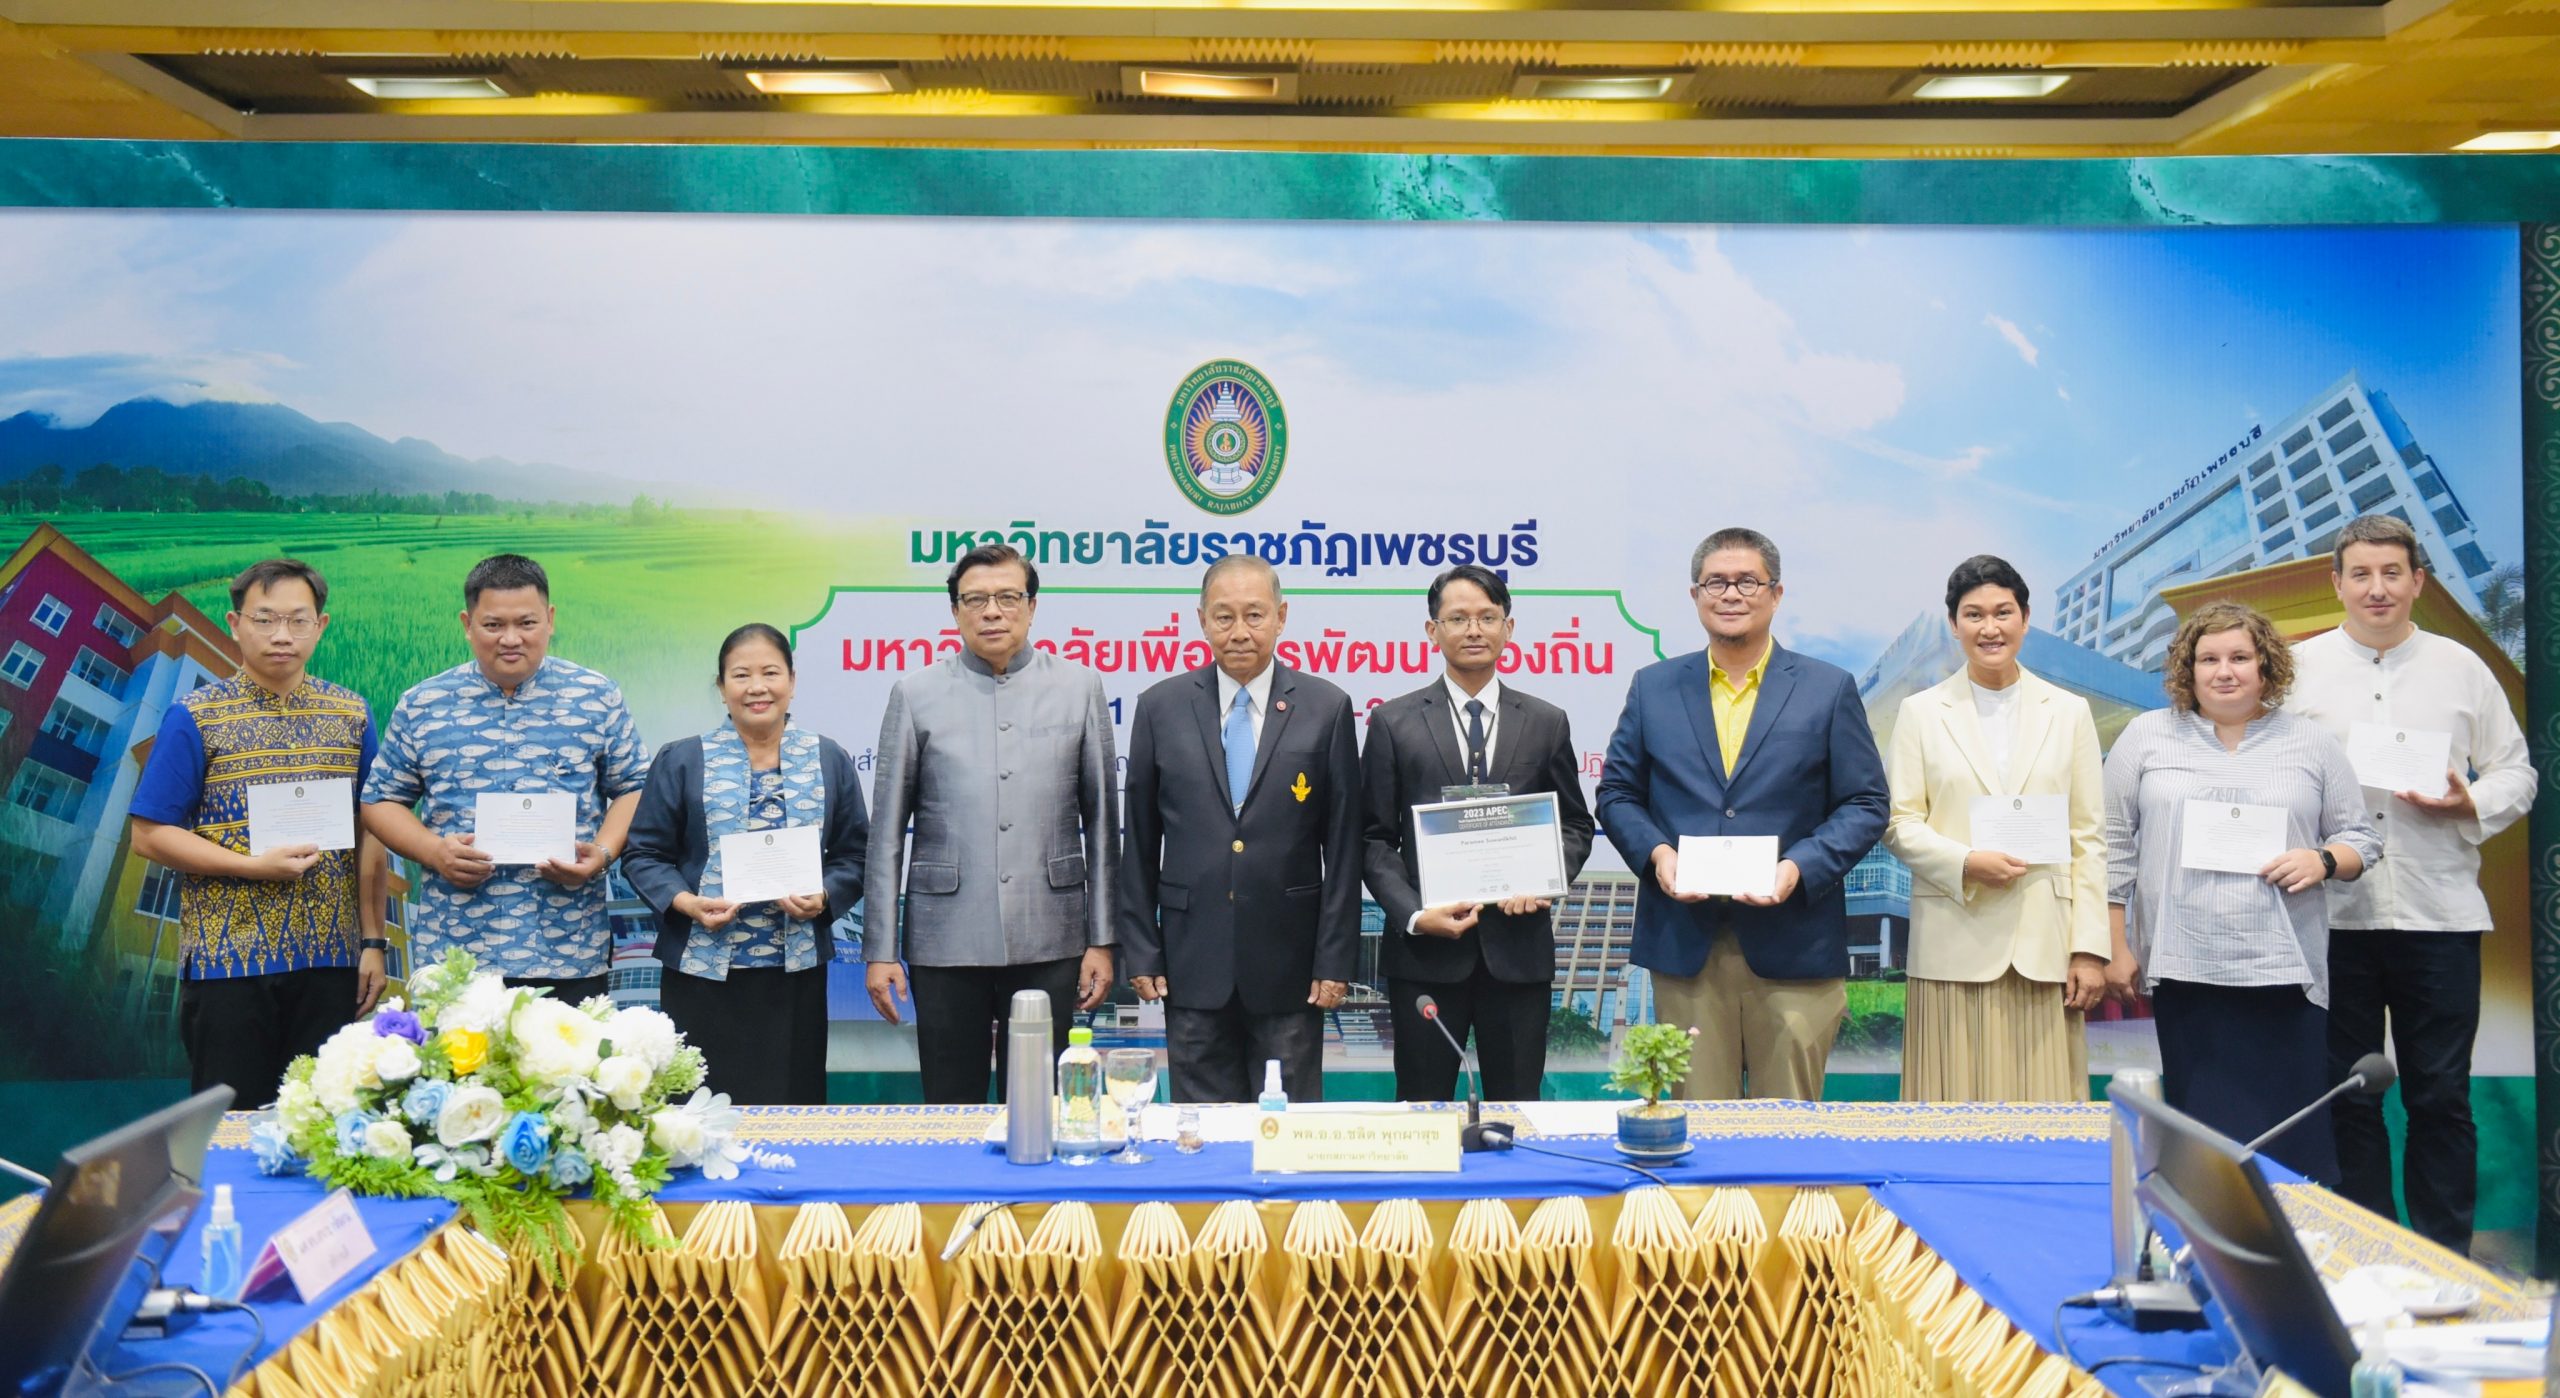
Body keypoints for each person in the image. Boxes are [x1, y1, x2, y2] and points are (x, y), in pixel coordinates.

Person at [2283, 514, 2533, 1250]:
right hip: (2334, 916)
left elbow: (2518, 772)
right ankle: (2368, 1252)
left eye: (2392, 573)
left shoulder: (2461, 667)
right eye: (2360, 574)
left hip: (2439, 914)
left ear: (2418, 581)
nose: (2378, 588)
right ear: (2336, 583)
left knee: (2441, 1097)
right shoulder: (2297, 671)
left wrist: (2470, 803)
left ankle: (2443, 1258)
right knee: (2347, 1097)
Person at [1595, 528, 1888, 1101]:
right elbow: (1617, 793)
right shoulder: (1653, 688)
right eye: (1716, 582)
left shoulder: (1828, 689)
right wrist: (1658, 855)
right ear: (1695, 596)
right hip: (1686, 945)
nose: (1731, 593)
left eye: (1748, 581)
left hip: (1794, 944)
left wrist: (1799, 867)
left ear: (1776, 594)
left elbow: (1866, 802)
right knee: (1699, 1123)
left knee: (1787, 1128)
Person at [2103, 601, 2380, 1184]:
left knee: (2292, 1149)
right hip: (2185, 966)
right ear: (2188, 668)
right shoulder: (2146, 736)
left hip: (2284, 971)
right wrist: (2116, 944)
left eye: (2239, 657)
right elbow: (2112, 846)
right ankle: (2204, 1234)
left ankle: (2294, 1236)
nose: (2224, 672)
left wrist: (2323, 860)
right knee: (2202, 1148)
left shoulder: (2310, 742)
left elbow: (2363, 839)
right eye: (2208, 659)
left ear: (2265, 666)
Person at [863, 543, 1118, 1103]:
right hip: (945, 937)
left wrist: (1102, 941)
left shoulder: (1079, 687)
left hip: (1051, 933)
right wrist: (880, 949)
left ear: (1032, 606)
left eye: (1008, 597)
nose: (992, 612)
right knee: (950, 1102)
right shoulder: (915, 694)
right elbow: (885, 836)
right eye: (975, 600)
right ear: (955, 611)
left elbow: (1103, 826)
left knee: (1041, 1104)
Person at [128, 559, 389, 1106]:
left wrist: (372, 943)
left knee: (325, 1124)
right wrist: (251, 867)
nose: (281, 636)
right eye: (265, 619)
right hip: (229, 964)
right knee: (233, 1127)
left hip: (331, 962)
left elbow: (373, 832)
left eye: (298, 620)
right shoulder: (195, 715)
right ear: (235, 624)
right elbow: (149, 834)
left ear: (321, 626)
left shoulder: (353, 714)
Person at [1118, 554, 1362, 1103]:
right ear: (1202, 620)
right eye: (1224, 617)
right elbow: (1139, 842)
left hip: (1291, 967)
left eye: (1254, 615)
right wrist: (1142, 950)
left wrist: (1334, 959)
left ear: (1281, 617)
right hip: (1190, 963)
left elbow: (1344, 848)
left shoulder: (1326, 708)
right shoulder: (1160, 707)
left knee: (1288, 1127)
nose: (1240, 631)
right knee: (1200, 1130)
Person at [361, 554, 648, 1001]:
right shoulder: (423, 704)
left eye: (526, 623)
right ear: (467, 624)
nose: (511, 639)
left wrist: (603, 853)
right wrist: (435, 852)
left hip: (568, 946)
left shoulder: (596, 696)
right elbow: (380, 801)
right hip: (455, 952)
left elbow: (633, 787)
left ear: (550, 620)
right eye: (493, 625)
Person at [1361, 563, 1594, 1103]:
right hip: (1426, 958)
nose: (1473, 630)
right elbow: (1372, 838)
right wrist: (1415, 914)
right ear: (1433, 630)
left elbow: (1576, 824)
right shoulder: (1394, 722)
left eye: (1487, 618)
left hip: (1518, 954)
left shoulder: (1545, 721)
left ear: (1508, 628)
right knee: (1422, 1109)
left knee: (1518, 1107)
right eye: (1458, 618)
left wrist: (1543, 879)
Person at [1881, 555, 2108, 1102]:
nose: (1990, 628)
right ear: (1954, 624)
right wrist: (1963, 862)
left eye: (2003, 612)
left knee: (2045, 1110)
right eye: (1974, 614)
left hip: (2046, 944)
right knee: (1951, 1107)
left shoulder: (2070, 712)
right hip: (1952, 938)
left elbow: (2089, 837)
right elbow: (1898, 822)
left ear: (2025, 619)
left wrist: (2088, 948)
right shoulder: (1920, 712)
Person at [621, 625, 869, 1105]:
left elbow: (855, 854)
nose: (757, 687)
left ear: (792, 681)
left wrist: (824, 896)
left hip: (794, 977)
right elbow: (644, 853)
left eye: (770, 673)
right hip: (701, 972)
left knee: (790, 1107)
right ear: (721, 688)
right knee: (695, 1112)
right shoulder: (683, 759)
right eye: (741, 675)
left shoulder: (828, 758)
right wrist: (685, 901)